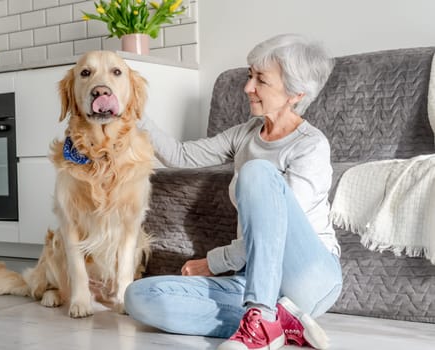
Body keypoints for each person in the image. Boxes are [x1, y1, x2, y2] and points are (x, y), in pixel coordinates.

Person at [124, 33, 343, 350]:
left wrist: (214, 262)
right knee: (140, 297)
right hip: (252, 278)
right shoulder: (246, 134)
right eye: (249, 76)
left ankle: (263, 317)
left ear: (295, 93)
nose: (248, 88)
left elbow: (276, 232)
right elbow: (182, 156)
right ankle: (281, 321)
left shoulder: (311, 146)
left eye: (261, 80)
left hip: (310, 276)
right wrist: (135, 113)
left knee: (256, 172)